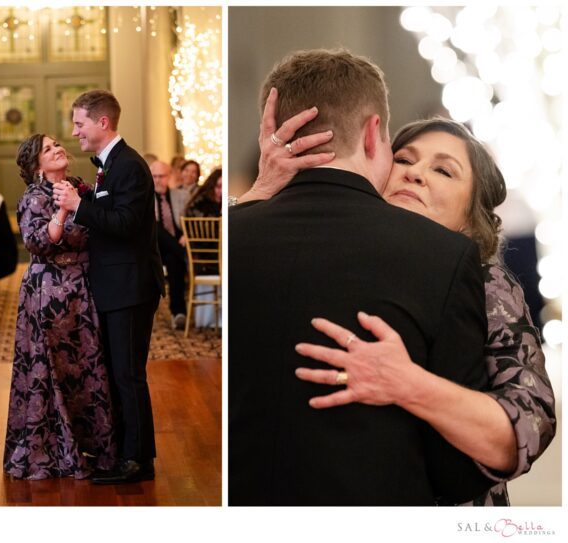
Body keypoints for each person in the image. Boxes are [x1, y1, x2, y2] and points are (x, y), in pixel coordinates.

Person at [248, 99, 555, 505]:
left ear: (470, 217)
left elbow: (528, 427)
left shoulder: (488, 285)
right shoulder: (330, 254)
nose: (415, 174)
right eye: (404, 160)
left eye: (443, 170)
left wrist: (409, 385)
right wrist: (260, 192)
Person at [229, 48, 494, 505]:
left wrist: (253, 198)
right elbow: (457, 473)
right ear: (374, 134)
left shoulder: (235, 232)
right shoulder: (445, 256)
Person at [53, 90, 165, 484]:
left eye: (79, 123)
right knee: (118, 372)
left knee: (128, 375)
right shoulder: (109, 166)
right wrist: (87, 196)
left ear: (103, 123)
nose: (74, 132)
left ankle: (138, 460)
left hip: (131, 287)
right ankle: (123, 451)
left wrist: (79, 206)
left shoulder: (129, 166)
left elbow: (125, 224)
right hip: (116, 285)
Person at [3, 134, 117, 479]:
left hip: (82, 288)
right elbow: (36, 243)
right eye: (48, 149)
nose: (58, 149)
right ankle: (53, 449)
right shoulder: (34, 197)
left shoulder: (78, 186)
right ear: (36, 165)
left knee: (86, 366)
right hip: (49, 293)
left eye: (57, 144)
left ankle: (94, 445)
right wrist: (64, 210)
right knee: (52, 369)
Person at [151, 160, 188, 329]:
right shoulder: (145, 196)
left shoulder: (181, 195)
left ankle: (178, 313)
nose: (158, 180)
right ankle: (186, 257)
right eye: (155, 176)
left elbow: (190, 219)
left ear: (169, 176)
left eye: (162, 176)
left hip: (176, 244)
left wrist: (187, 235)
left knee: (174, 260)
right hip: (154, 246)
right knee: (155, 226)